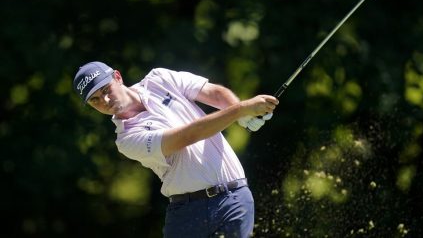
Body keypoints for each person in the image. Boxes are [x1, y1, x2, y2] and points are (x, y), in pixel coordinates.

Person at [73, 61, 279, 238]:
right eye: (95, 100)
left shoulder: (159, 78)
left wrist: (240, 111)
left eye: (106, 90)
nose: (105, 101)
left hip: (233, 199)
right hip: (187, 214)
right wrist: (240, 110)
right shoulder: (126, 139)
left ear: (117, 77)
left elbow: (214, 93)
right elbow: (187, 136)